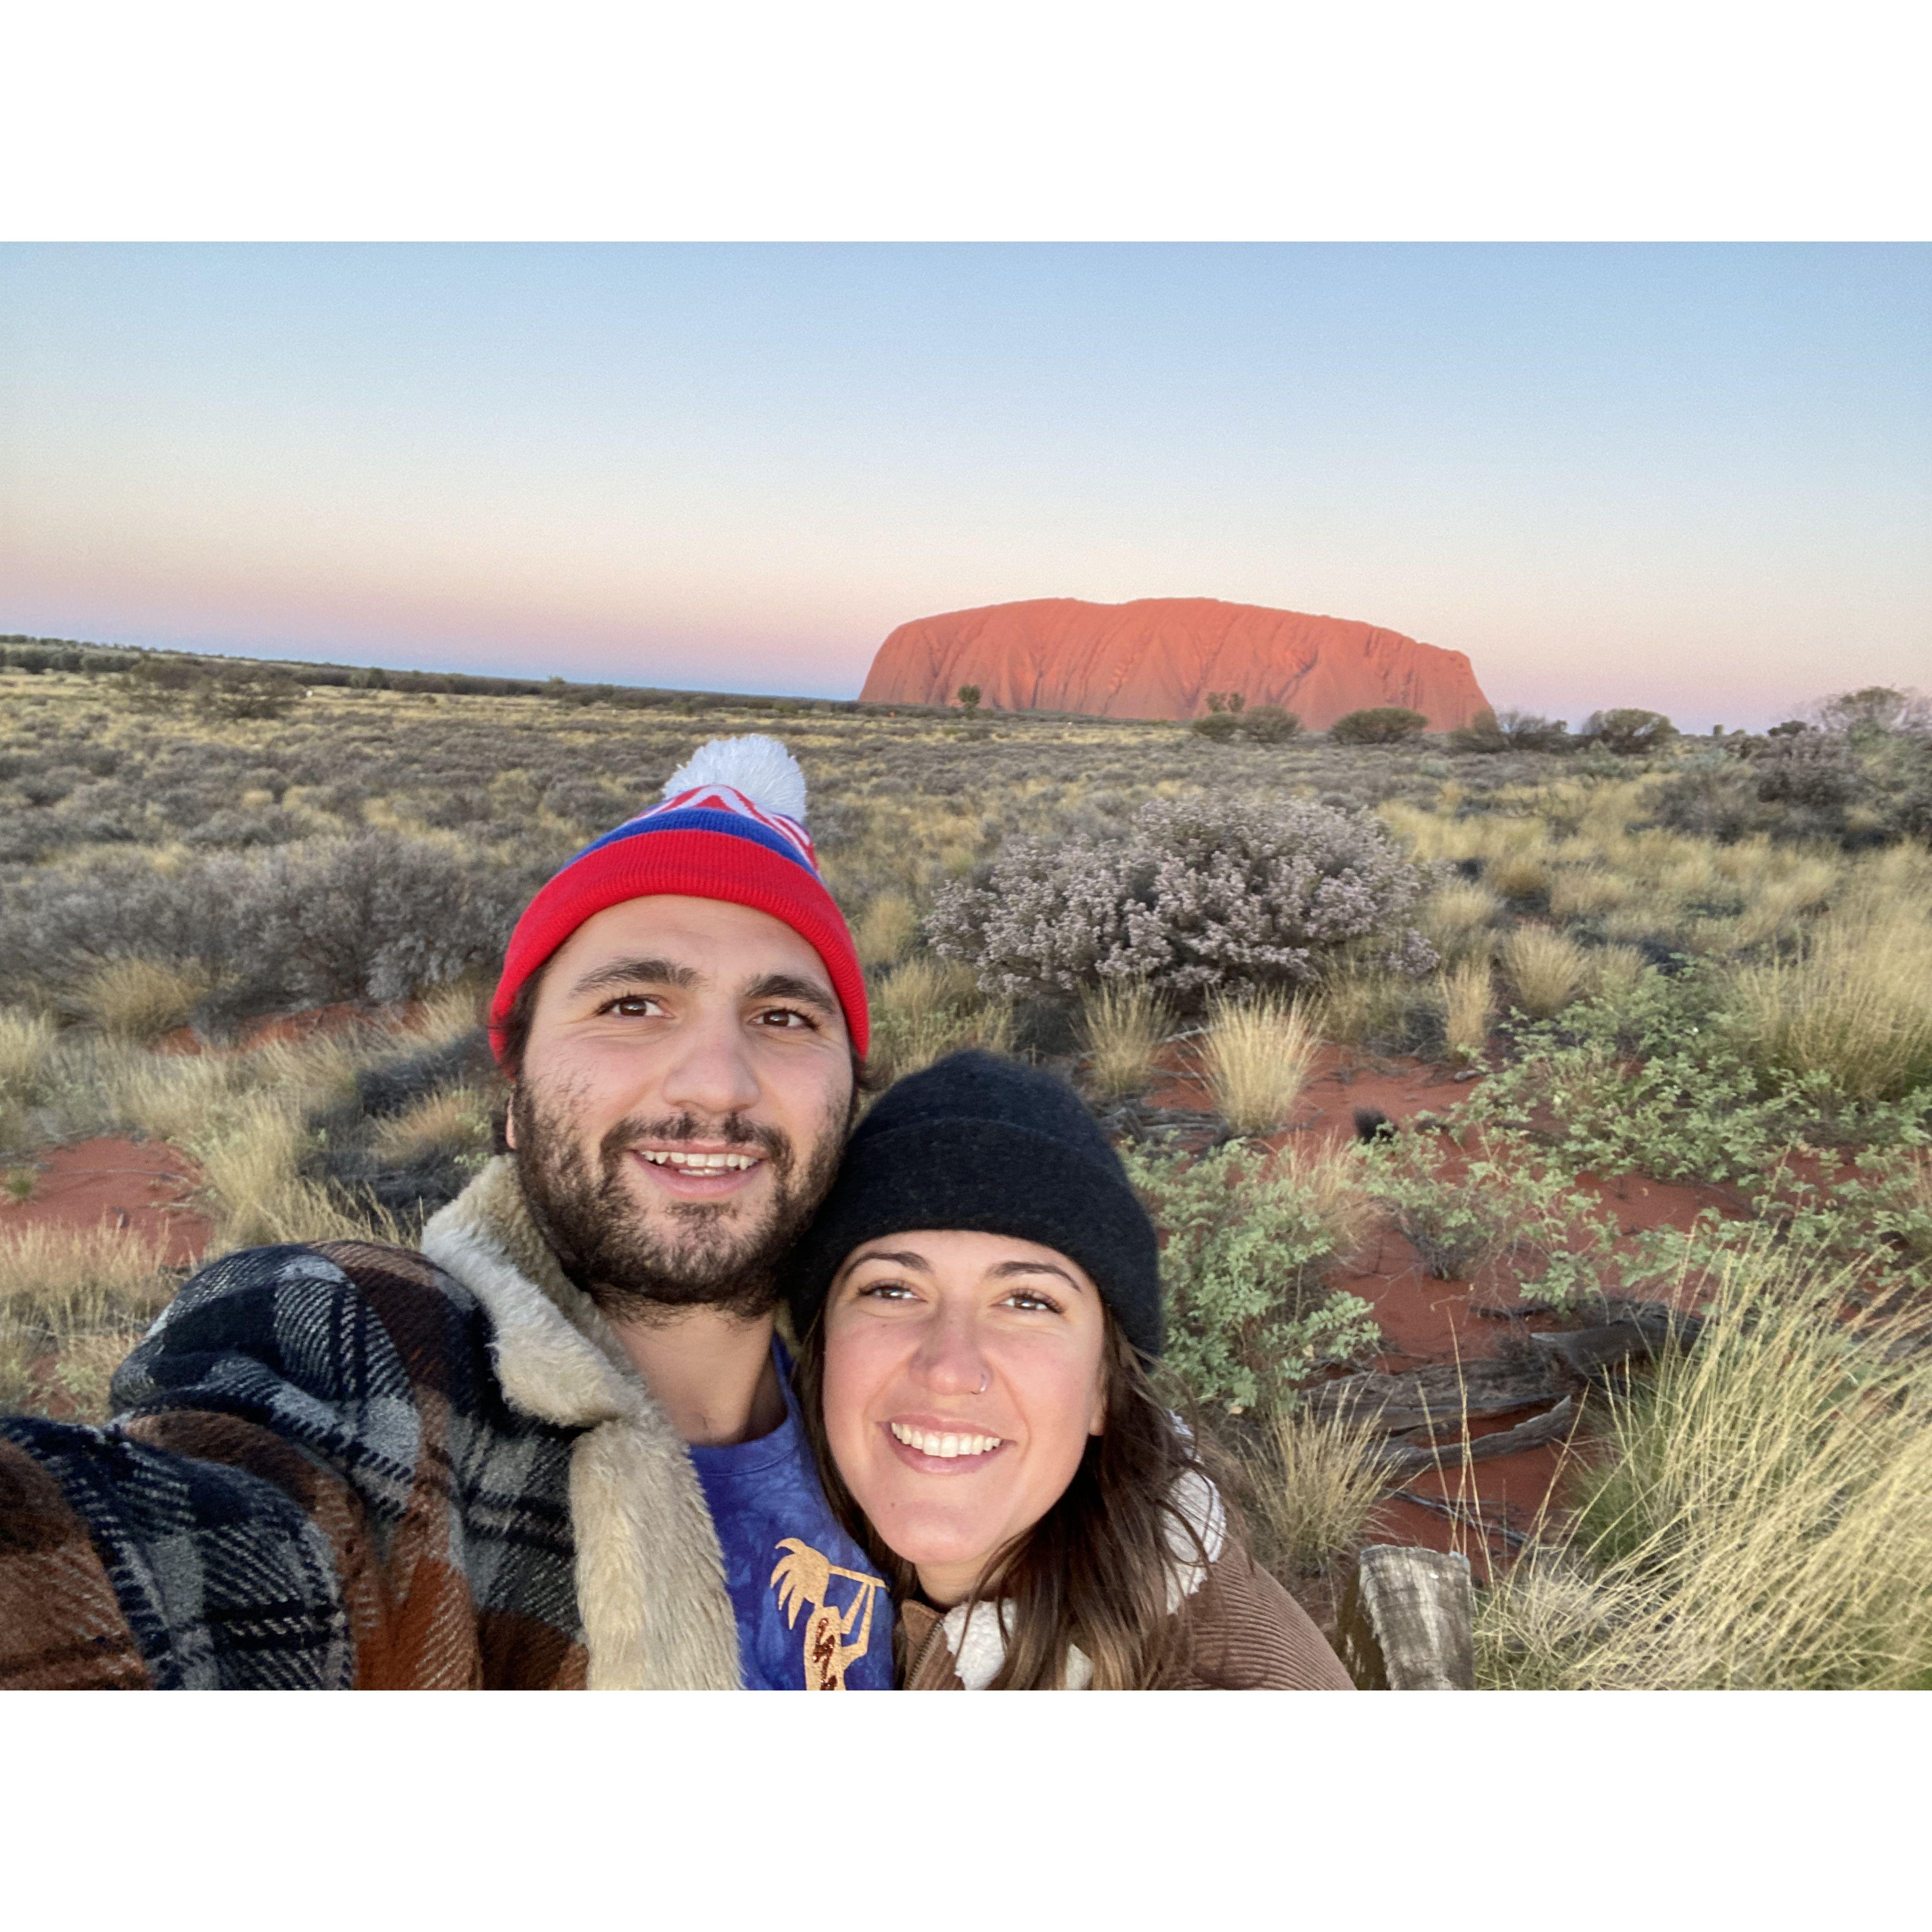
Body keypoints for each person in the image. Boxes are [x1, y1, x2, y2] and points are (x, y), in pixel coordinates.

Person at [0, 736, 894, 1690]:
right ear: (514, 1099)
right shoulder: (378, 1356)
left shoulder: (899, 1424)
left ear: (849, 1095)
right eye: (634, 1006)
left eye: (787, 1018)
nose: (718, 1082)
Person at [785, 1049, 1354, 1690]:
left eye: (1028, 1301)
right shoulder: (768, 1535)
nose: (949, 1369)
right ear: (824, 1343)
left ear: (1104, 1389)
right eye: (892, 1290)